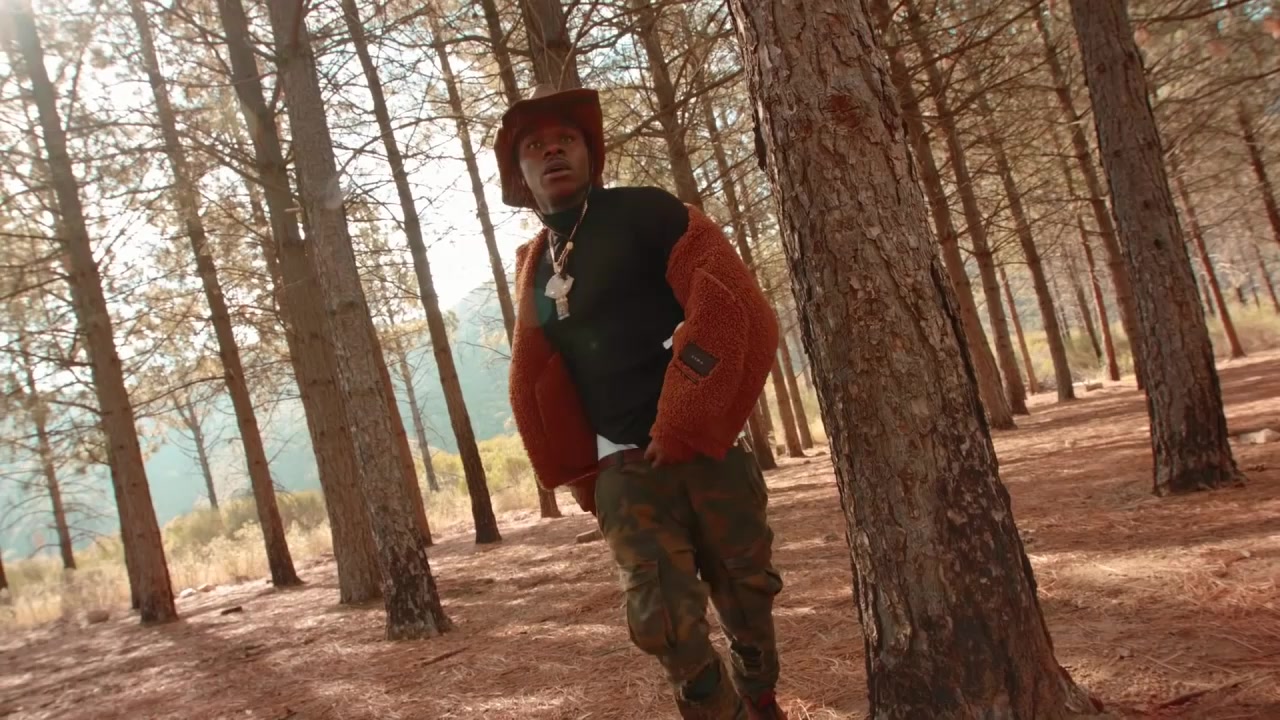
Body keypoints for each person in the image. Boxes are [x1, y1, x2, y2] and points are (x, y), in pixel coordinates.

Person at [498, 83, 787, 720]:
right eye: (535, 147)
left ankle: (762, 698)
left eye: (567, 140)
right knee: (669, 631)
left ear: (590, 154)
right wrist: (582, 471)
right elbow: (542, 378)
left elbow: (732, 310)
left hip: (708, 453)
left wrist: (683, 420)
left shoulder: (651, 213)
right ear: (519, 174)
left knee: (748, 601)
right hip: (624, 475)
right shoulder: (534, 265)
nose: (553, 151)